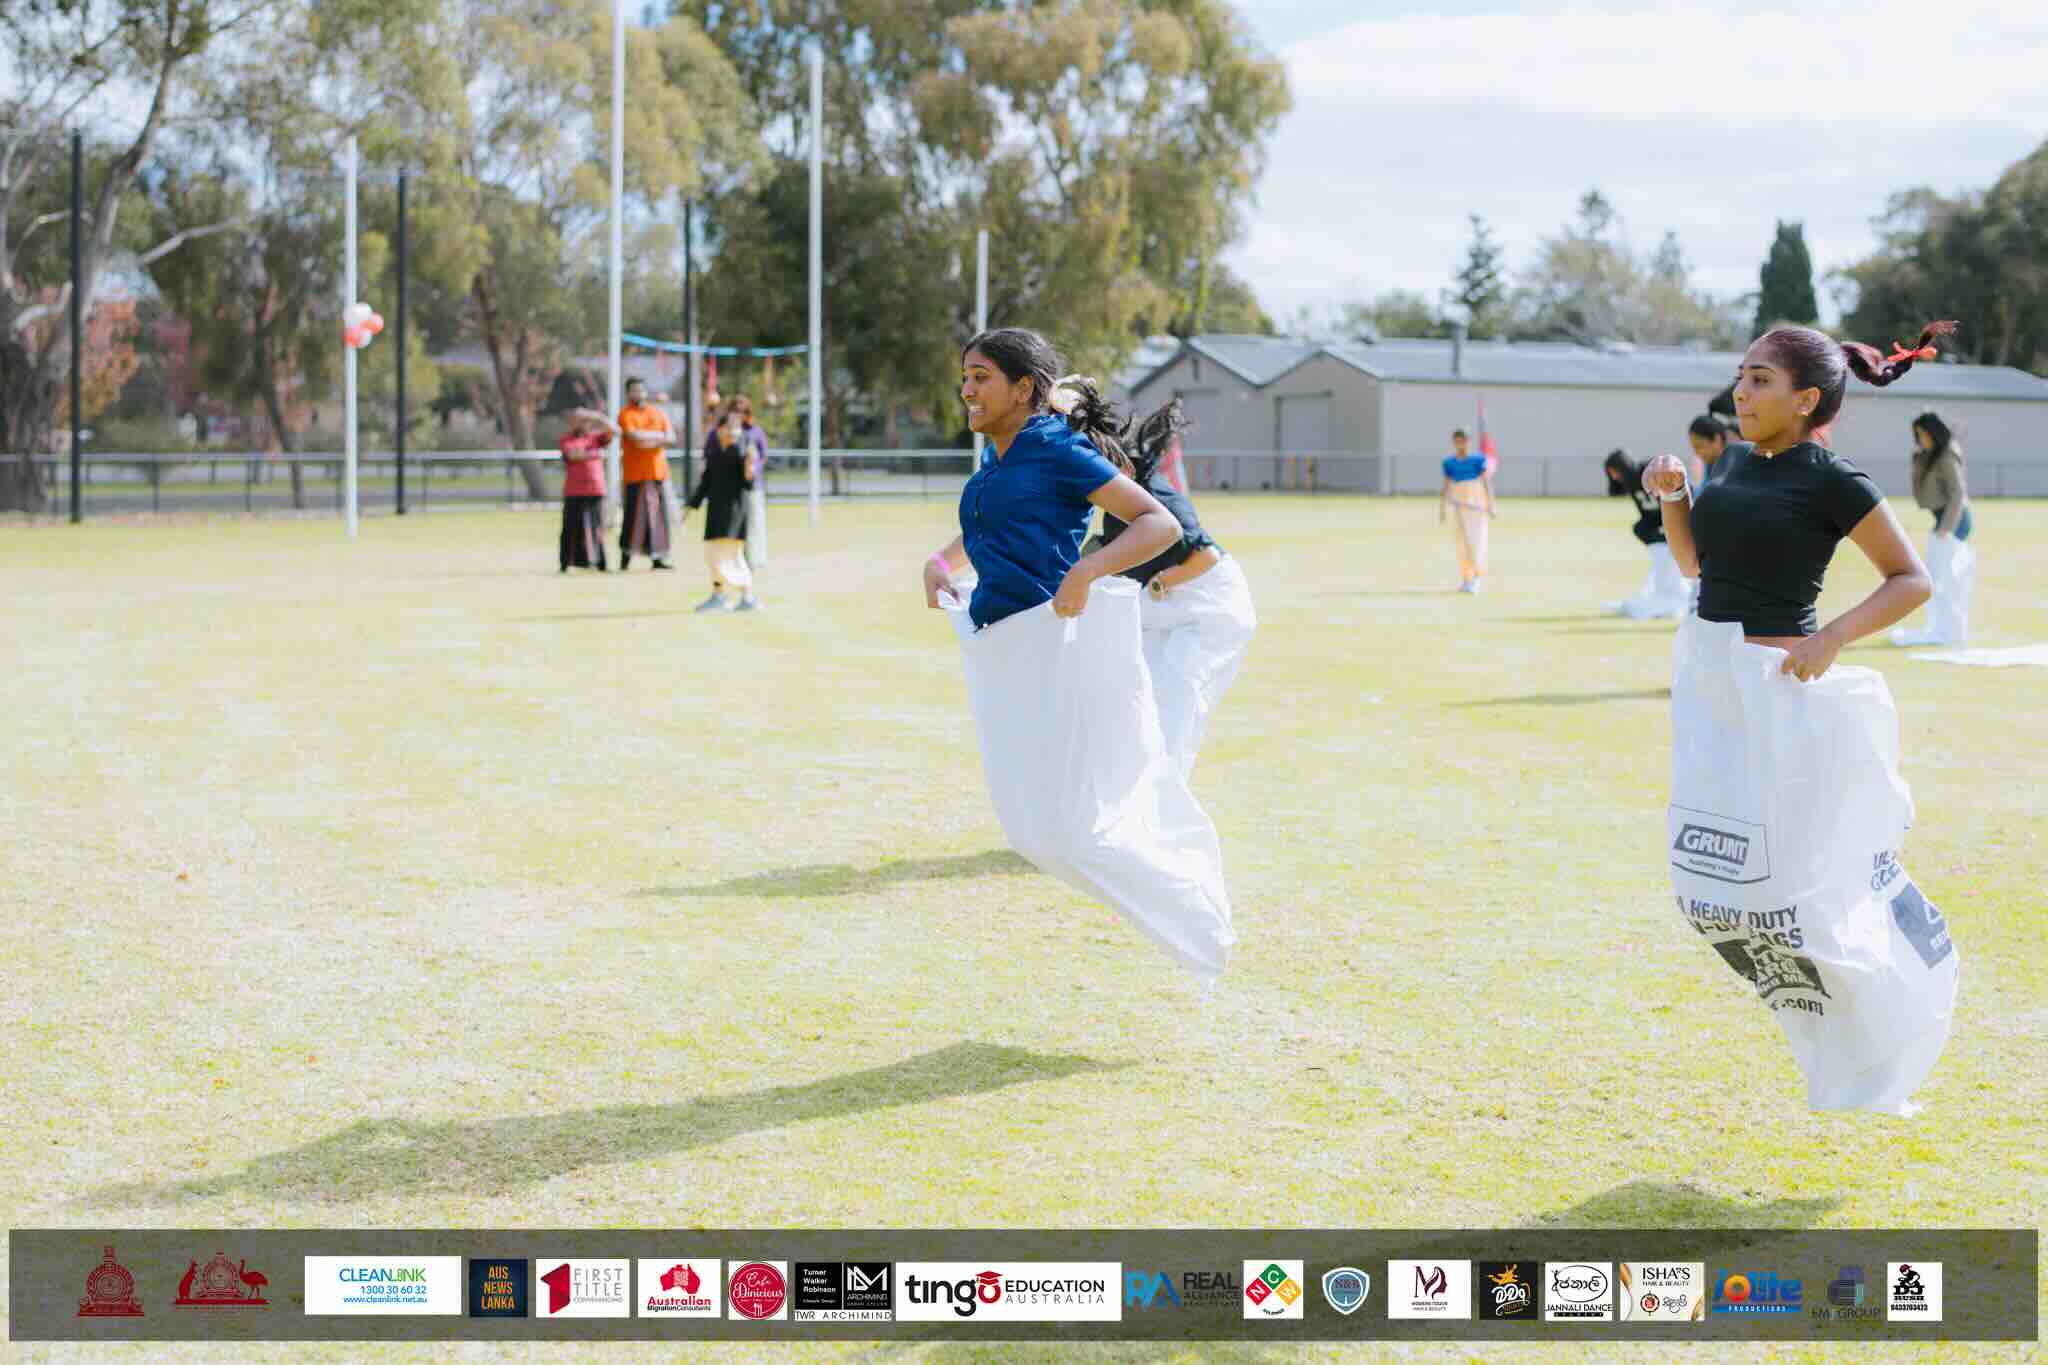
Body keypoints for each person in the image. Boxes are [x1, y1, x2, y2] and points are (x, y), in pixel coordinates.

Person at [1642, 321, 1958, 1114]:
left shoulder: (1833, 481)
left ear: (1805, 398)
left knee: (1806, 889)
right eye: (1741, 377)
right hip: (1715, 688)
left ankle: (1896, 1007)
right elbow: (1695, 566)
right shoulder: (1739, 464)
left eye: (1759, 381)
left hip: (1781, 692)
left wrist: (1832, 638)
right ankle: (1843, 1032)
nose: (1740, 393)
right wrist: (1676, 494)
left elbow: (1910, 579)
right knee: (1714, 883)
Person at [921, 327, 1234, 982]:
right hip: (1002, 651)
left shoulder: (1054, 447)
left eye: (981, 376)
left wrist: (1087, 573)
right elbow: (996, 526)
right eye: (965, 376)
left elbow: (1160, 524)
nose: (967, 389)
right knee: (1030, 830)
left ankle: (1197, 915)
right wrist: (942, 560)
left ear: (1023, 388)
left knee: (1070, 829)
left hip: (1052, 652)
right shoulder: (997, 455)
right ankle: (1187, 912)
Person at [1095, 398, 1256, 777]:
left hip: (1209, 608)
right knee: (1139, 691)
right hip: (1164, 611)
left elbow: (1206, 556)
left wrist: (1160, 581)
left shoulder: (1156, 496)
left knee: (1178, 699)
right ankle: (1136, 782)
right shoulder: (1116, 499)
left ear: (1125, 466)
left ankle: (1166, 794)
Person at [1891, 410, 1974, 647]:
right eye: (1917, 435)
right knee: (1937, 574)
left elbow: (1958, 494)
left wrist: (1946, 529)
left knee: (1945, 577)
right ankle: (1942, 628)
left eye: (1924, 434)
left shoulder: (1946, 456)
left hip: (1954, 520)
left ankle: (1951, 632)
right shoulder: (1927, 455)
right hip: (1941, 517)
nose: (1921, 439)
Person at [687, 399, 761, 612]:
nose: (730, 430)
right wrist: (691, 505)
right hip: (716, 511)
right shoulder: (715, 451)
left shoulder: (745, 448)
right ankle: (718, 596)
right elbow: (706, 480)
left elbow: (749, 481)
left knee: (732, 555)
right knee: (712, 555)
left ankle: (747, 596)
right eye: (727, 425)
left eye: (735, 426)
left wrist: (750, 465)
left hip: (736, 510)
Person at [1602, 448, 1687, 618]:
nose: (1614, 476)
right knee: (1642, 532)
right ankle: (1655, 597)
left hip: (1670, 522)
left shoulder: (1644, 473)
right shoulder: (1629, 481)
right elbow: (1615, 492)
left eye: (1614, 471)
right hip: (1656, 525)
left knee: (1668, 567)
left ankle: (1667, 600)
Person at [617, 377, 677, 571]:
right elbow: (635, 439)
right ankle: (626, 557)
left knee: (658, 518)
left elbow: (671, 438)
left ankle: (658, 558)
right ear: (628, 393)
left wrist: (649, 438)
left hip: (657, 473)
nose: (638, 394)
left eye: (641, 390)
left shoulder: (657, 413)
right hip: (635, 475)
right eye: (634, 390)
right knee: (633, 518)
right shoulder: (625, 414)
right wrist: (658, 438)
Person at [557, 408, 616, 573]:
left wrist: (597, 416)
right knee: (570, 527)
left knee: (597, 528)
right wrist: (594, 453)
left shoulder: (596, 438)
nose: (582, 423)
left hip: (595, 490)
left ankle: (599, 563)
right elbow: (573, 455)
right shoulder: (566, 439)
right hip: (574, 491)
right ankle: (566, 563)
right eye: (578, 420)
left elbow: (615, 430)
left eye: (584, 420)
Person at [1440, 428, 1495, 593]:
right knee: (1461, 543)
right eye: (1457, 441)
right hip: (1459, 506)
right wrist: (1442, 508)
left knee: (1476, 541)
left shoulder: (1478, 460)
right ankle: (1467, 578)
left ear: (1469, 441)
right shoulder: (1449, 463)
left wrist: (1491, 504)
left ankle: (1477, 578)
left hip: (1476, 505)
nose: (1461, 444)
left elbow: (1486, 483)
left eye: (1463, 440)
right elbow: (1446, 486)